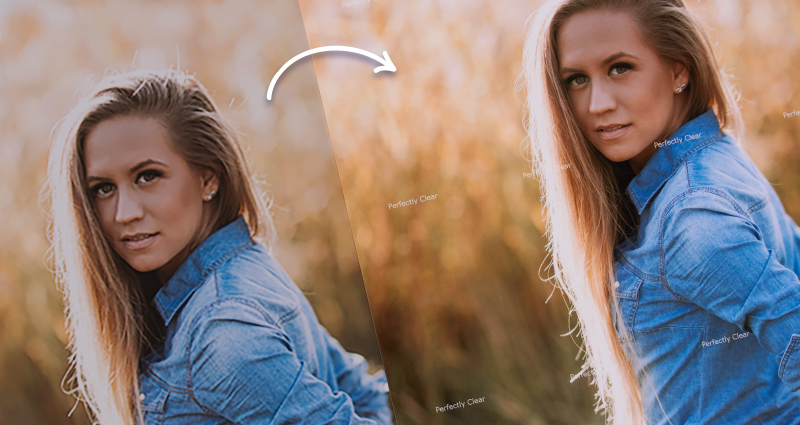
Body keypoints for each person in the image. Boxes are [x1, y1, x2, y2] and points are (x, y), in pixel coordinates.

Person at [44, 69, 392, 425]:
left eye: (147, 176)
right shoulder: (245, 267)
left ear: (207, 177)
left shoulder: (222, 331)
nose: (125, 213)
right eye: (103, 188)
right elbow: (364, 394)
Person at [523, 0, 800, 424]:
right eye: (577, 79)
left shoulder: (691, 217)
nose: (597, 103)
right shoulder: (716, 156)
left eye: (619, 68)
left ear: (678, 70)